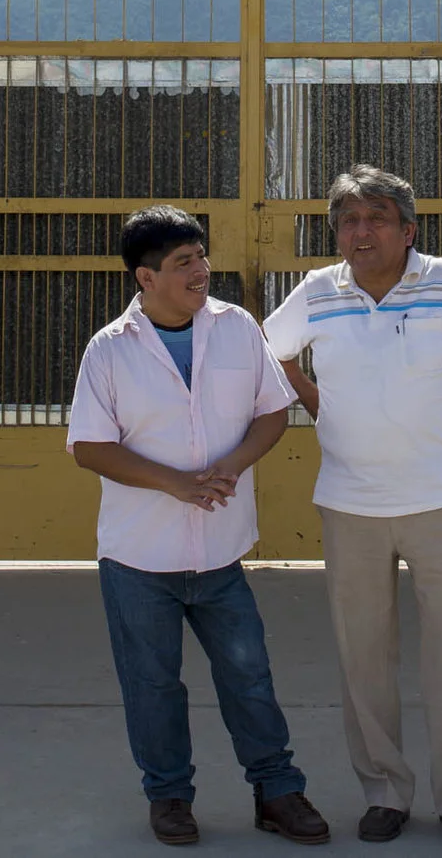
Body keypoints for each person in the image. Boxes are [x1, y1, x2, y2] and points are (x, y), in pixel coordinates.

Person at [262, 166, 442, 848]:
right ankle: (384, 791)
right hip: (350, 502)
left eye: (376, 218)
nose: (360, 232)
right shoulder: (317, 291)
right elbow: (263, 350)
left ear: (407, 229)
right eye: (348, 221)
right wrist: (312, 397)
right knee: (363, 657)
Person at [68, 205, 333, 848]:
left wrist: (229, 467)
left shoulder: (236, 327)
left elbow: (273, 411)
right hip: (139, 558)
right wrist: (177, 484)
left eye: (202, 258)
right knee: (153, 685)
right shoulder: (109, 349)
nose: (201, 272)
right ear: (145, 277)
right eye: (184, 263)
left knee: (249, 676)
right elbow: (89, 446)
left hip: (219, 554)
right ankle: (169, 798)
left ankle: (277, 791)